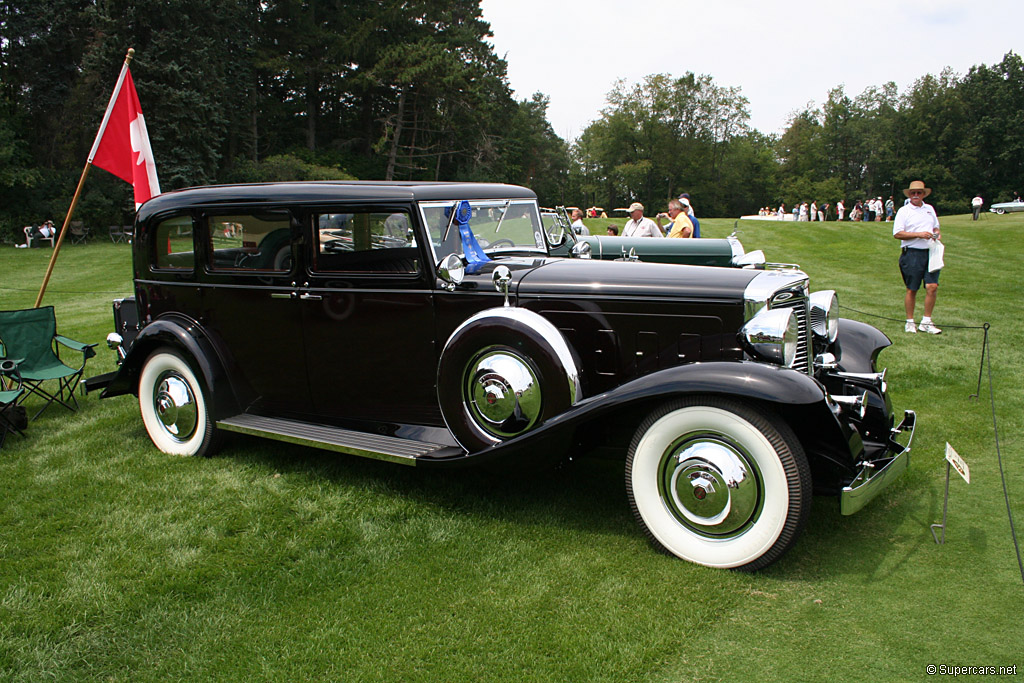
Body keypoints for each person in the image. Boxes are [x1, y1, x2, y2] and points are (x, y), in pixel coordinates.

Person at [893, 180, 942, 334]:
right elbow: (898, 233)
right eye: (913, 193)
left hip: (931, 252)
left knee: (932, 286)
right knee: (912, 289)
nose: (916, 195)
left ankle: (926, 321)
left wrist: (936, 234)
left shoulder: (929, 209)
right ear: (909, 194)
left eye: (919, 193)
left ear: (923, 195)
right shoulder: (904, 211)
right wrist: (919, 235)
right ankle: (910, 322)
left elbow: (936, 226)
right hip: (912, 253)